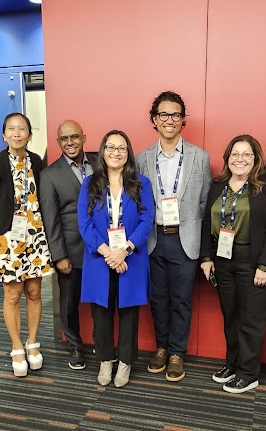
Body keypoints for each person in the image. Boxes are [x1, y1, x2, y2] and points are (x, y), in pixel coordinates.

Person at [200, 135, 266, 393]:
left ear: (255, 158)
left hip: (253, 262)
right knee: (231, 316)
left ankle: (249, 373)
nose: (240, 159)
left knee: (251, 320)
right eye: (235, 154)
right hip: (223, 261)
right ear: (228, 158)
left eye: (246, 154)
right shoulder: (218, 185)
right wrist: (206, 258)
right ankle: (233, 364)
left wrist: (265, 265)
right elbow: (206, 222)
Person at [136, 91, 211, 382]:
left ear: (183, 120)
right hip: (153, 239)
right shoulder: (142, 159)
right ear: (154, 119)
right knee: (158, 299)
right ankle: (162, 347)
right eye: (163, 115)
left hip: (185, 239)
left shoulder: (199, 158)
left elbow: (204, 204)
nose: (169, 120)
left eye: (176, 115)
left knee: (181, 300)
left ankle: (177, 352)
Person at [77, 130, 154, 388]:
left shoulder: (141, 183)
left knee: (129, 313)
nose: (116, 152)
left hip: (130, 257)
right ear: (103, 151)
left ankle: (125, 363)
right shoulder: (90, 184)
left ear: (128, 153)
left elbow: (146, 221)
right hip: (100, 258)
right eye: (111, 147)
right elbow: (84, 223)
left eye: (121, 148)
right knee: (101, 312)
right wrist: (109, 252)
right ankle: (105, 360)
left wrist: (125, 250)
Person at [0, 113, 52, 377]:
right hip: (6, 239)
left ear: (30, 135)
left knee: (34, 292)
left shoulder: (37, 161)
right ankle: (16, 348)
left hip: (34, 236)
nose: (17, 133)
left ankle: (32, 342)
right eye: (11, 129)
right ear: (4, 134)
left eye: (22, 129)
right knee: (12, 295)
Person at [39, 120, 98, 370]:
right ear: (58, 142)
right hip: (71, 250)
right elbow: (50, 219)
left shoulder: (100, 162)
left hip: (101, 248)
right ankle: (74, 346)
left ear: (84, 137)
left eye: (75, 137)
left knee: (101, 299)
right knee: (69, 303)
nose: (70, 142)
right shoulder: (49, 175)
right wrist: (59, 255)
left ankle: (102, 342)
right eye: (64, 139)